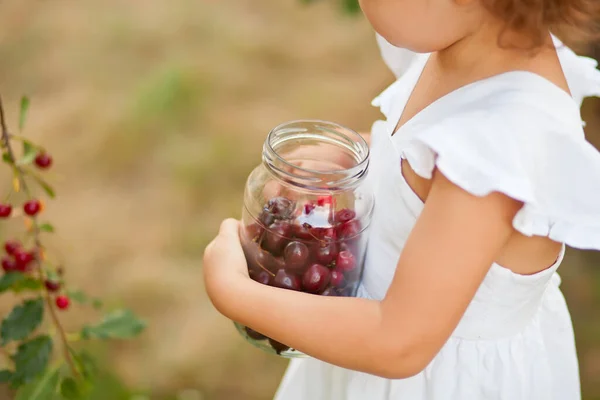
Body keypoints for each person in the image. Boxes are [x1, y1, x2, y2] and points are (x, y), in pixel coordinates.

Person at [203, 0, 600, 398]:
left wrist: (236, 293)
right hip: (367, 350)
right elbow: (422, 154)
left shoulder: (498, 144)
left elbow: (399, 340)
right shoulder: (471, 45)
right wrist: (358, 154)